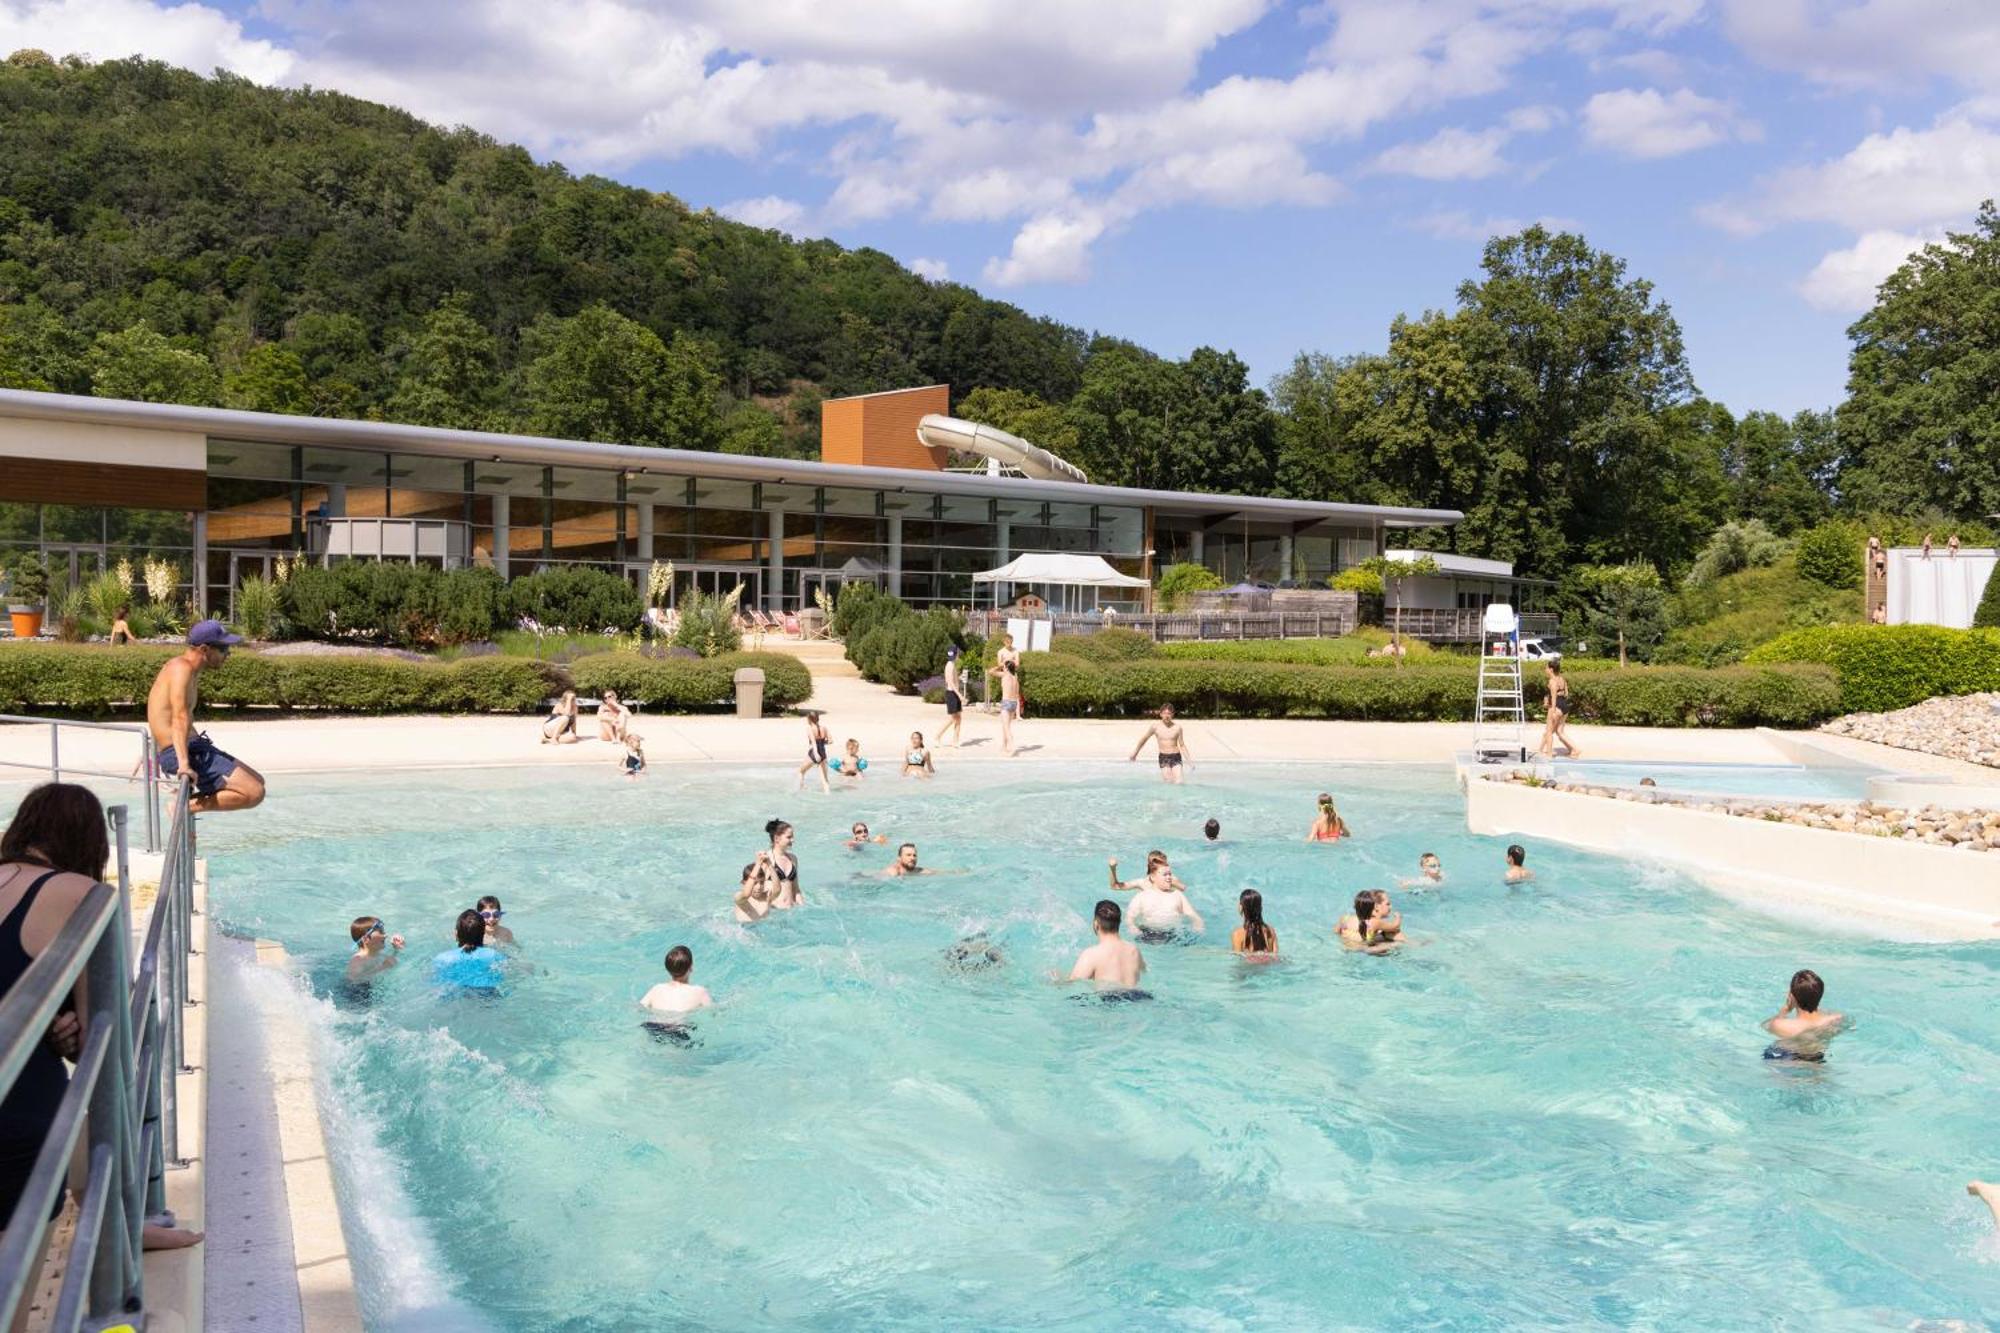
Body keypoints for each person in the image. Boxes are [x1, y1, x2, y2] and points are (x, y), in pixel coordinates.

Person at [0, 782, 203, 1249]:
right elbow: (105, 1032)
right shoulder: (83, 895)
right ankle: (117, 1239)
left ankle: (120, 1226)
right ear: (89, 842)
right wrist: (60, 1033)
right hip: (19, 1110)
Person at [147, 619, 266, 813]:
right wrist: (184, 765)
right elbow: (179, 717)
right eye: (224, 649)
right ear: (204, 649)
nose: (228, 654)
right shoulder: (181, 668)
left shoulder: (190, 670)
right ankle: (182, 806)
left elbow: (161, 712)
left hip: (194, 746)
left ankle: (185, 801)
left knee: (257, 780)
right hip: (181, 752)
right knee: (254, 793)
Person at [1761, 968, 1846, 1063]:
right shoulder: (1836, 1019)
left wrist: (1785, 1010)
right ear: (1821, 994)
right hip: (1817, 1058)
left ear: (1791, 997)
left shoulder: (1780, 1025)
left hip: (1789, 1059)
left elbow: (1765, 1025)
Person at [1068, 899, 1146, 991]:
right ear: (1119, 923)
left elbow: (1072, 982)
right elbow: (1143, 970)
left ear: (1096, 923)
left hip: (1110, 1000)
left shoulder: (1092, 954)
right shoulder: (1134, 950)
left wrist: (1056, 980)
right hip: (1137, 996)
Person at [432, 908, 505, 991]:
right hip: (487, 995)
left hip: (454, 996)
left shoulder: (443, 958)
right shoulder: (494, 955)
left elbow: (436, 983)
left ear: (456, 934)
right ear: (483, 934)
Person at [1126, 869, 1203, 940]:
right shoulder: (1142, 896)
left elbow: (1192, 914)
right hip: (1148, 933)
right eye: (1165, 875)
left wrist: (1198, 925)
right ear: (1153, 877)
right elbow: (1130, 917)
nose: (1169, 877)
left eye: (1170, 874)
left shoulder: (1178, 895)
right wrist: (1132, 927)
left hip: (1175, 933)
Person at [640, 944, 713, 1017]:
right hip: (679, 1027)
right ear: (690, 967)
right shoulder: (700, 992)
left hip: (654, 1026)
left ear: (667, 969)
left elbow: (641, 1008)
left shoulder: (656, 989)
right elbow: (712, 1014)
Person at [1129, 704, 1190, 783]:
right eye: (1164, 713)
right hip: (1164, 757)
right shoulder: (1155, 727)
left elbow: (1182, 745)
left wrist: (1189, 761)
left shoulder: (1178, 728)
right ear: (1161, 714)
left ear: (1172, 714)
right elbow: (1144, 739)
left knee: (1179, 782)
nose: (1167, 716)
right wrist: (1135, 753)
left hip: (1176, 756)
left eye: (1169, 713)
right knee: (1168, 782)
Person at [1536, 657, 1579, 759]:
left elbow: (1554, 697)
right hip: (1564, 706)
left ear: (1551, 669)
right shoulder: (1562, 679)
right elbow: (1566, 694)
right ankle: (1574, 749)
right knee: (1559, 732)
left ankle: (1549, 754)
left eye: (1546, 668)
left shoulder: (1552, 681)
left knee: (1549, 731)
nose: (1545, 670)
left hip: (1556, 707)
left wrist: (1553, 709)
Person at [346, 915, 405, 983]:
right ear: (366, 939)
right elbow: (353, 981)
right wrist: (384, 967)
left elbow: (390, 962)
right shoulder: (358, 960)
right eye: (381, 932)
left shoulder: (376, 954)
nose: (386, 935)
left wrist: (396, 949)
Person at [989, 648, 1023, 756]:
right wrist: (1018, 713)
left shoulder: (1005, 675)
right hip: (1013, 703)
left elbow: (991, 671)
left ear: (1006, 668)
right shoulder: (1015, 677)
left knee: (1006, 727)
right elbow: (1017, 694)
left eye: (1004, 667)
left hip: (1006, 702)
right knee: (1005, 725)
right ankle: (1004, 746)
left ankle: (1012, 747)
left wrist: (1000, 665)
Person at [1107, 851, 1185, 893]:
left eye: (1165, 864)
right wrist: (1112, 868)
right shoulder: (1142, 883)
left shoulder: (1171, 879)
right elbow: (1115, 886)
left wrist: (1172, 883)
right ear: (1152, 869)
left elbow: (1183, 888)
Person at [765, 818, 802, 908]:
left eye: (792, 837)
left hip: (791, 910)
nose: (793, 840)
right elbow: (757, 889)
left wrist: (802, 907)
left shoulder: (793, 859)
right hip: (774, 912)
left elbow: (796, 889)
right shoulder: (766, 858)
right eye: (789, 837)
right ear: (777, 838)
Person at [1231, 888, 1277, 957]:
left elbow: (1238, 960)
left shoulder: (1237, 934)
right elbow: (1275, 956)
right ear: (1261, 908)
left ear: (1241, 907)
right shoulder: (1270, 931)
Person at [733, 855, 777, 924]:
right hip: (743, 931)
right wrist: (758, 864)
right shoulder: (740, 899)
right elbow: (746, 894)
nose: (759, 886)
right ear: (744, 883)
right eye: (755, 883)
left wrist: (770, 864)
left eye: (761, 882)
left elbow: (777, 890)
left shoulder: (766, 897)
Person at [796, 711, 832, 793]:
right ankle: (828, 794)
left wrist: (816, 754)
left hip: (814, 754)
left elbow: (813, 742)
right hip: (823, 753)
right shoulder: (824, 728)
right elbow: (830, 741)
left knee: (801, 771)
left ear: (809, 719)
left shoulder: (809, 728)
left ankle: (799, 790)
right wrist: (822, 743)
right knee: (825, 779)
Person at [940, 646, 966, 748]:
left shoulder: (952, 664)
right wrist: (960, 695)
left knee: (959, 718)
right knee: (954, 718)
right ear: (956, 654)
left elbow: (952, 679)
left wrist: (959, 677)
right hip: (952, 694)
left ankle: (955, 741)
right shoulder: (950, 665)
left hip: (954, 693)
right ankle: (938, 736)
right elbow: (950, 682)